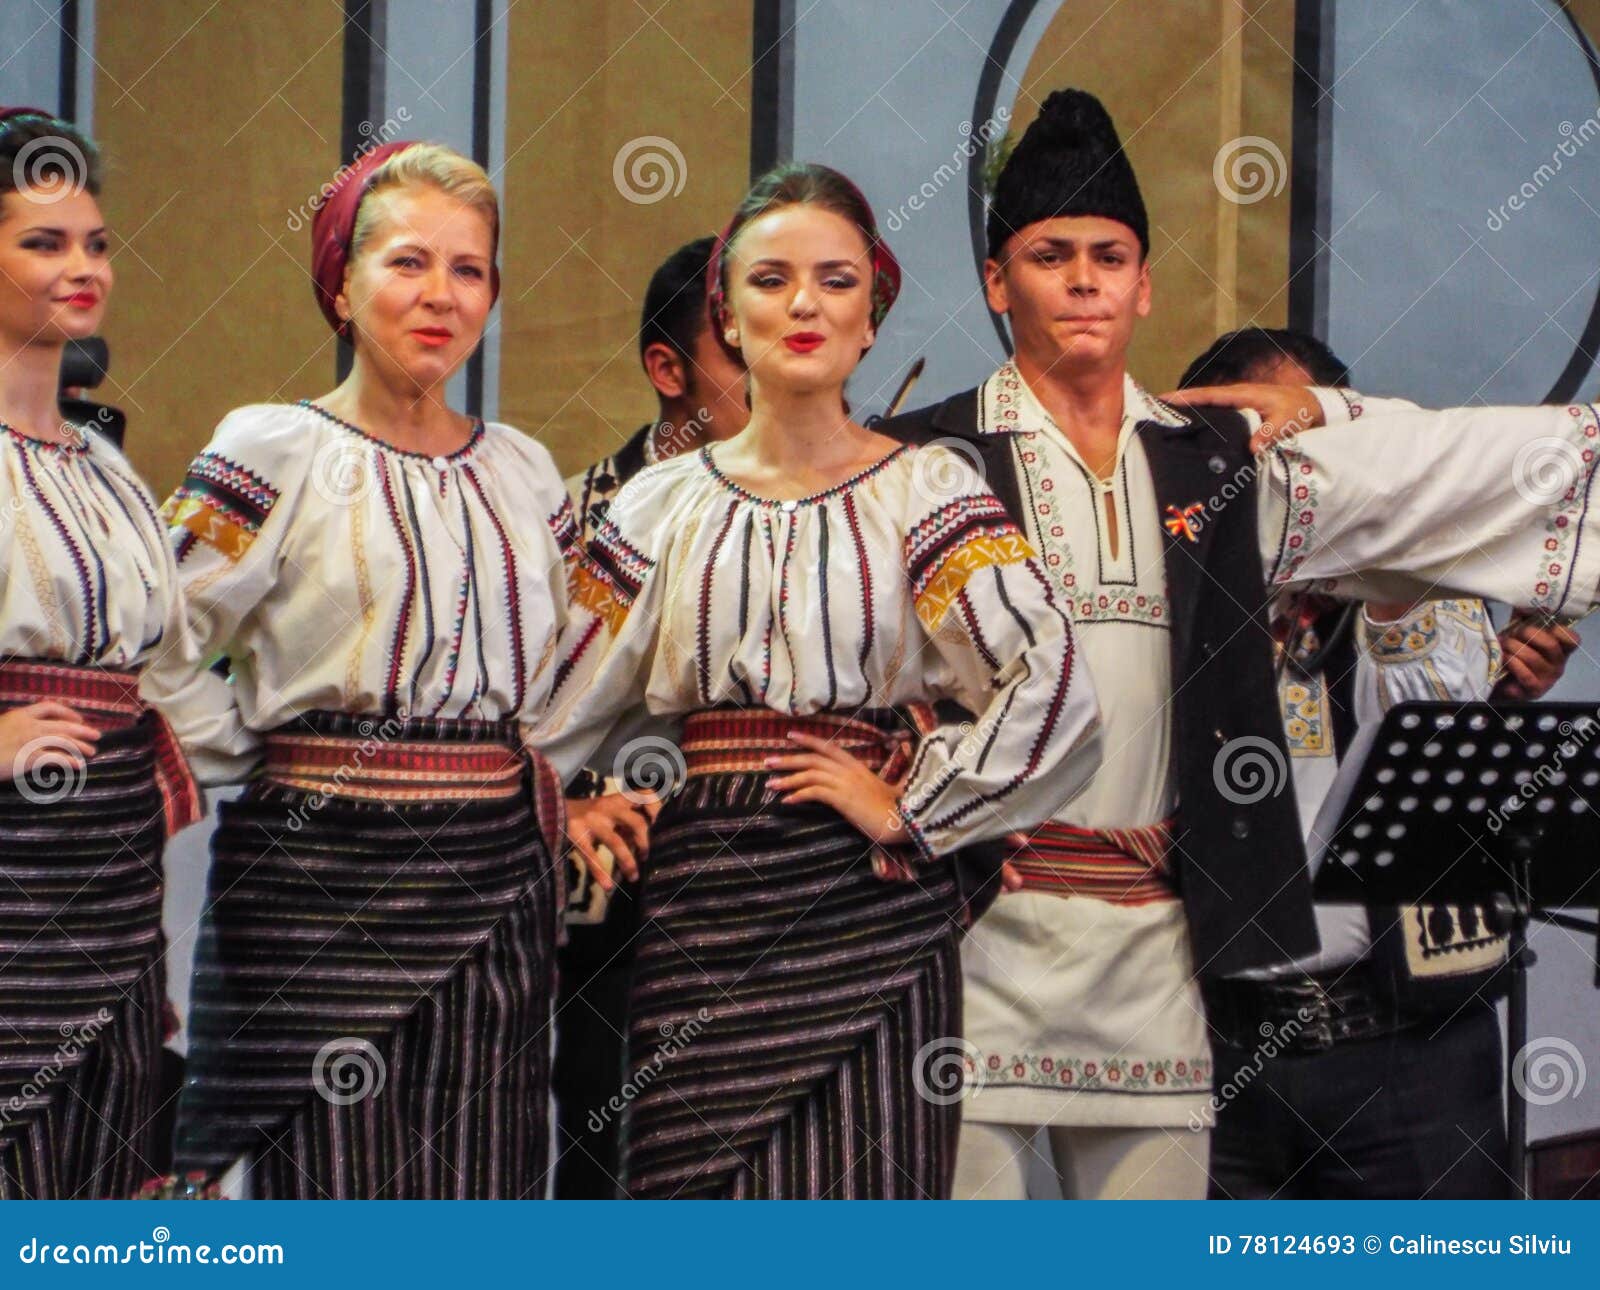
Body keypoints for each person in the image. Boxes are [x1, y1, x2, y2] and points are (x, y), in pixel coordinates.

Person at [883, 88, 1600, 1199]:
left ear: (1143, 282)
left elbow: (1475, 469)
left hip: (1188, 981)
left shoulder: (1210, 462)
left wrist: (1339, 420)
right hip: (983, 957)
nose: (1082, 279)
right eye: (1049, 254)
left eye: (1109, 255)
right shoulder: (922, 463)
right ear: (995, 280)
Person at [534, 161, 1101, 1199]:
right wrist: (559, 804)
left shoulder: (924, 489)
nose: (803, 305)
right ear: (728, 315)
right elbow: (544, 705)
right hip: (708, 908)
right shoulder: (660, 507)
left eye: (836, 282)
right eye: (770, 280)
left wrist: (911, 804)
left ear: (872, 318)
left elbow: (1058, 691)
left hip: (871, 917)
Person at [147, 140, 646, 1199]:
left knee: (474, 1185)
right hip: (312, 893)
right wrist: (243, 746)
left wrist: (549, 782)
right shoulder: (275, 448)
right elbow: (153, 629)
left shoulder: (517, 468)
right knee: (317, 1187)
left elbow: (573, 660)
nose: (440, 295)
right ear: (341, 285)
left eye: (469, 270)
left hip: (491, 895)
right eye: (407, 262)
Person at [1178, 328, 1556, 1198]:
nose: (1286, 466)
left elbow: (1432, 716)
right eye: (1256, 444)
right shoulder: (1171, 591)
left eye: (1303, 441)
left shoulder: (1426, 576)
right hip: (1219, 1056)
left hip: (1412, 1054)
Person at [0, 107, 201, 1198]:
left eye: (96, 242)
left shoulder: (106, 466)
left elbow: (169, 662)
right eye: (43, 242)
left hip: (112, 875)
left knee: (100, 1170)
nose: (82, 267)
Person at [554, 235, 748, 1197]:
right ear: (667, 368)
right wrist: (577, 803)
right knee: (609, 1165)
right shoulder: (577, 515)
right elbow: (521, 706)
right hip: (618, 912)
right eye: (733, 342)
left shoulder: (836, 509)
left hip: (770, 898)